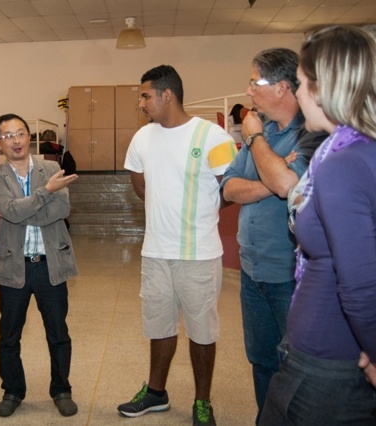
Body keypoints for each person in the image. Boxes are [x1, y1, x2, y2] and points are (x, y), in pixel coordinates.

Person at [260, 25, 376, 425]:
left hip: (328, 370)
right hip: (321, 357)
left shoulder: (343, 164)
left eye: (304, 83)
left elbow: (359, 282)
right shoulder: (344, 151)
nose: (299, 93)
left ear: (326, 88)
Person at [117, 65, 237, 426]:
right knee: (159, 326)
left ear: (167, 95)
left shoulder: (212, 135)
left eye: (145, 95)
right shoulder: (142, 139)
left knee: (202, 331)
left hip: (198, 254)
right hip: (155, 252)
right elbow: (140, 187)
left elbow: (229, 189)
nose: (141, 103)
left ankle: (202, 401)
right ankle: (156, 393)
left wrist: (202, 210)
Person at [221, 48, 326, 424]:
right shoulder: (263, 132)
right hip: (252, 272)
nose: (248, 91)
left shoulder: (310, 134)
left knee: (297, 365)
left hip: (290, 275)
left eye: (255, 82)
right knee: (262, 360)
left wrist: (255, 146)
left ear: (282, 88)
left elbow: (289, 185)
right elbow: (229, 189)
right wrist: (273, 176)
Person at [0, 113, 79, 418]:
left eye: (20, 133)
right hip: (13, 267)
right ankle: (12, 390)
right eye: (8, 135)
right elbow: (11, 209)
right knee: (9, 334)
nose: (16, 140)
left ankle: (61, 389)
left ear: (29, 136)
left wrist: (17, 212)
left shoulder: (51, 168)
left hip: (50, 264)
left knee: (58, 332)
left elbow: (62, 209)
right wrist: (46, 193)